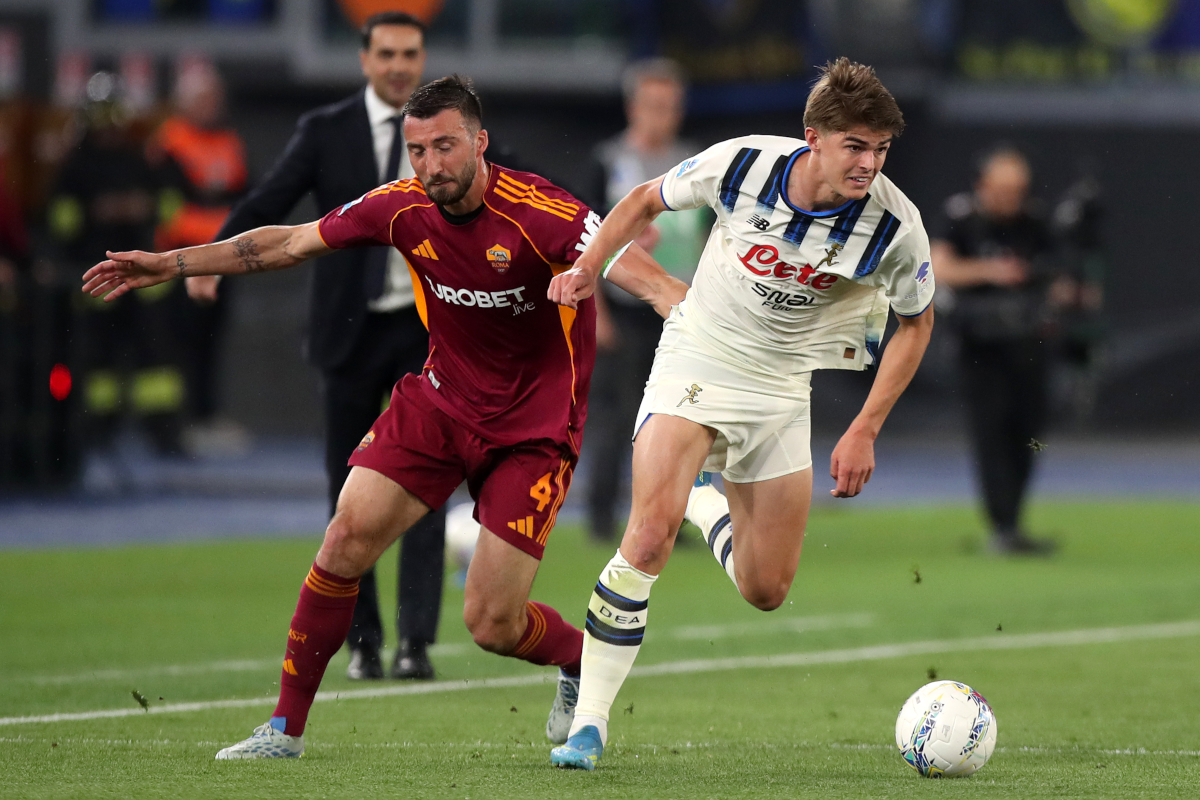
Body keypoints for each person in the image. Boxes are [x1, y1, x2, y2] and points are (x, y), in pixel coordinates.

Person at [83, 75, 687, 760]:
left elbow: (624, 261)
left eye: (446, 147)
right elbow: (289, 243)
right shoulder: (400, 207)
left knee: (490, 622)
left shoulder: (537, 209)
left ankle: (579, 660)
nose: (431, 165)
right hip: (439, 403)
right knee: (343, 540)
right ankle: (283, 730)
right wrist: (173, 262)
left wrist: (672, 299)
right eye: (418, 150)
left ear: (481, 143)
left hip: (534, 430)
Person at [545, 58, 936, 770]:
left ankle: (705, 503)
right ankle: (589, 725)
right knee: (647, 536)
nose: (868, 162)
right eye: (855, 144)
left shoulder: (894, 224)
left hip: (784, 389)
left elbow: (916, 323)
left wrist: (865, 426)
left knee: (766, 589)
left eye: (880, 148)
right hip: (699, 354)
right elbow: (640, 201)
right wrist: (587, 267)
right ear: (812, 136)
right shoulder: (745, 164)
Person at [197, 12, 446, 682]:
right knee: (348, 495)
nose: (399, 64)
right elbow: (269, 201)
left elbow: (515, 195)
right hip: (347, 332)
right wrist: (206, 262)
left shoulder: (448, 136)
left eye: (410, 52)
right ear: (365, 60)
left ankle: (415, 643)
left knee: (426, 489)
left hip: (427, 335)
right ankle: (363, 641)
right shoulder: (325, 131)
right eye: (387, 52)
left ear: (423, 58)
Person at [584, 57, 709, 542]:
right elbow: (585, 240)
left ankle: (669, 522)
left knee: (677, 419)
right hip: (627, 310)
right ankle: (600, 519)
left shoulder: (696, 162)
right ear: (633, 107)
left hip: (681, 312)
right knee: (618, 419)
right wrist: (598, 312)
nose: (663, 115)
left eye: (671, 106)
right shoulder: (610, 161)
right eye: (653, 105)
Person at [48, 71, 187, 459]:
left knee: (156, 355)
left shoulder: (141, 157)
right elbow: (60, 220)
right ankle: (97, 431)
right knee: (98, 357)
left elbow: (172, 205)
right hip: (99, 274)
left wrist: (143, 209)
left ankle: (163, 432)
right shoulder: (75, 164)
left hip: (147, 274)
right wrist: (96, 213)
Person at [930, 146, 1062, 555]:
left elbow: (1057, 274)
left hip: (1028, 343)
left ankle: (1013, 520)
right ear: (982, 185)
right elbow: (938, 268)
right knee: (990, 431)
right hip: (979, 346)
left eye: (1017, 190)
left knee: (1028, 433)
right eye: (1002, 189)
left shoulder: (1035, 220)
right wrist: (992, 272)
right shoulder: (960, 217)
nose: (1010, 198)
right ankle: (1002, 524)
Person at [147, 61, 248, 447]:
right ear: (182, 102)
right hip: (180, 264)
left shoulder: (228, 142)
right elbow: (170, 210)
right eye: (203, 98)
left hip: (223, 261)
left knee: (212, 341)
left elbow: (246, 198)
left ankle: (206, 416)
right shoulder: (169, 142)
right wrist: (220, 225)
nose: (212, 105)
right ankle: (175, 425)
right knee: (178, 344)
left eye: (215, 97)